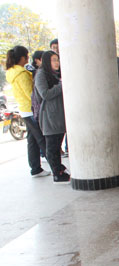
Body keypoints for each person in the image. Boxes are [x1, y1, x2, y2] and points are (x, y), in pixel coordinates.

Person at [4, 45, 48, 178]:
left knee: (32, 140)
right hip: (31, 109)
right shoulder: (22, 74)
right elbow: (31, 94)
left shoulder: (13, 72)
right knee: (42, 139)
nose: (28, 58)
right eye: (27, 55)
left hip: (25, 109)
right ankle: (57, 169)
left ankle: (36, 169)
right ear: (22, 57)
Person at [35, 50, 70, 184]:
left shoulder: (54, 74)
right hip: (49, 116)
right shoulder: (41, 75)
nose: (57, 63)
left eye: (57, 60)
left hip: (58, 115)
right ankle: (57, 173)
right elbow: (45, 94)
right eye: (54, 60)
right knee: (52, 146)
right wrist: (61, 85)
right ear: (46, 61)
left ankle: (59, 169)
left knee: (57, 144)